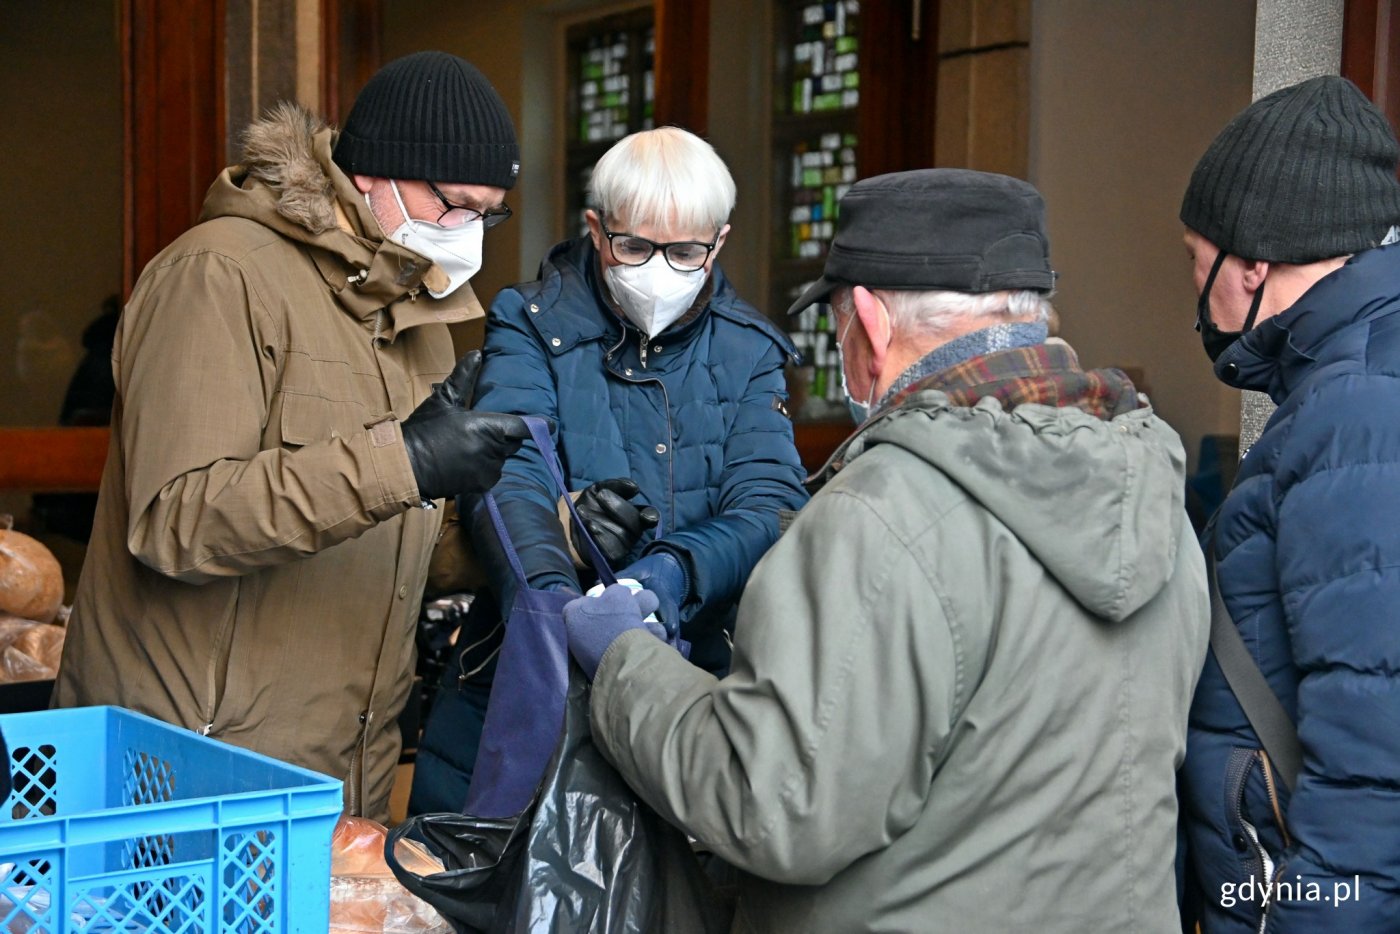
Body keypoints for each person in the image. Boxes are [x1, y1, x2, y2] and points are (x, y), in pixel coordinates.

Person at [559, 169, 1210, 932]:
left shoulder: (878, 515)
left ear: (867, 320)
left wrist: (624, 665)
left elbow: (774, 804)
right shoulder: (1149, 488)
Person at [53, 51, 535, 821]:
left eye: (491, 212)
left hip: (344, 777)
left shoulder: (420, 319)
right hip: (188, 769)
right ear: (373, 174)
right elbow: (175, 520)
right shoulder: (218, 275)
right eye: (455, 205)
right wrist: (403, 460)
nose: (471, 233)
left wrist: (553, 536)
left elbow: (399, 546)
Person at [409, 126, 810, 815]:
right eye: (634, 246)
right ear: (597, 231)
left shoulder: (749, 350)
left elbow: (769, 501)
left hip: (695, 679)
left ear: (720, 241)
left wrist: (675, 572)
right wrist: (548, 594)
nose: (659, 271)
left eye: (687, 251)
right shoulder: (530, 321)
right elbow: (511, 466)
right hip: (526, 671)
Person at [1176, 76, 1400, 931]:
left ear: (1254, 265)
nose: (1195, 293)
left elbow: (1375, 763)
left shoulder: (1359, 411)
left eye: (1198, 264)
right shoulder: (1351, 380)